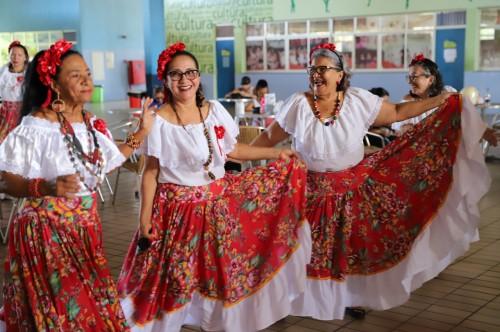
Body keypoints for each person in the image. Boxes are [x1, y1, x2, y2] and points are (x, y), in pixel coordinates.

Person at [251, 43, 492, 320]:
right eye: (312, 69)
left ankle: (352, 297)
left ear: (340, 75)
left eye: (323, 69)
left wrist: (440, 101)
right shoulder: (298, 103)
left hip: (353, 191)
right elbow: (269, 138)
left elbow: (399, 113)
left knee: (350, 249)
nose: (316, 74)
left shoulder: (357, 101)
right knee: (301, 251)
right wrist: (243, 160)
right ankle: (292, 301)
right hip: (309, 194)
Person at [117, 42, 310, 332]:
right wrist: (144, 220)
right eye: (176, 74)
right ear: (166, 80)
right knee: (173, 282)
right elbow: (149, 173)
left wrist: (276, 153)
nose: (185, 80)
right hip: (176, 215)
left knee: (220, 277)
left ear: (198, 76)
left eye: (190, 72)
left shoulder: (215, 110)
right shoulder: (157, 121)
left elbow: (233, 151)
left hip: (218, 209)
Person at [0, 39, 155, 331]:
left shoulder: (90, 123)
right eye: (75, 75)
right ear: (54, 84)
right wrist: (44, 188)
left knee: (87, 304)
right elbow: (5, 179)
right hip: (45, 232)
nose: (86, 79)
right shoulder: (36, 126)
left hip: (84, 227)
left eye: (87, 72)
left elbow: (106, 161)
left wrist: (141, 132)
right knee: (62, 312)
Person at [392, 54, 498, 146]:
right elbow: (402, 132)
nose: (410, 82)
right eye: (409, 77)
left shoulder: (447, 93)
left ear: (431, 79)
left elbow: (465, 114)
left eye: (414, 77)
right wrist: (404, 131)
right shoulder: (408, 102)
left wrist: (483, 131)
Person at [0, 40, 29, 143]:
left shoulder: (29, 72)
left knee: (20, 140)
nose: (16, 58)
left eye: (19, 55)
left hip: (23, 111)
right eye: (13, 55)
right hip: (5, 112)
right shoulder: (3, 71)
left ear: (25, 57)